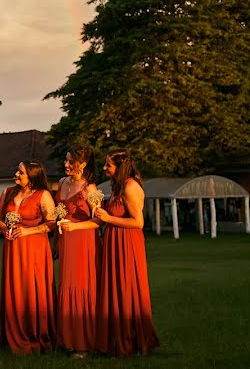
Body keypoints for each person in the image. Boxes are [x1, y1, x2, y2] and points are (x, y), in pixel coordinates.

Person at [94, 149, 159, 356]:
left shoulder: (130, 187)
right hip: (114, 241)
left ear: (119, 167)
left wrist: (108, 219)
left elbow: (138, 222)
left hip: (127, 243)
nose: (104, 168)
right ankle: (117, 339)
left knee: (128, 288)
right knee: (115, 288)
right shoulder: (117, 187)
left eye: (108, 165)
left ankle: (135, 339)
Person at [0, 160, 56, 354]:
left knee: (33, 288)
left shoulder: (43, 195)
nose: (16, 174)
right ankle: (13, 332)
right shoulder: (8, 193)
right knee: (15, 287)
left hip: (35, 248)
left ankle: (37, 333)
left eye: (21, 172)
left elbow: (51, 223)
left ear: (32, 176)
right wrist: (5, 228)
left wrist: (28, 231)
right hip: (12, 248)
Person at [54, 145, 100, 358]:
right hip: (65, 241)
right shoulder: (62, 183)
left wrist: (76, 227)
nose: (66, 165)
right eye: (66, 160)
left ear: (82, 164)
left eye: (71, 161)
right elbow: (57, 214)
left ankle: (83, 342)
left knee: (81, 287)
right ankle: (67, 339)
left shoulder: (90, 189)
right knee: (66, 285)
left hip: (83, 241)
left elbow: (100, 219)